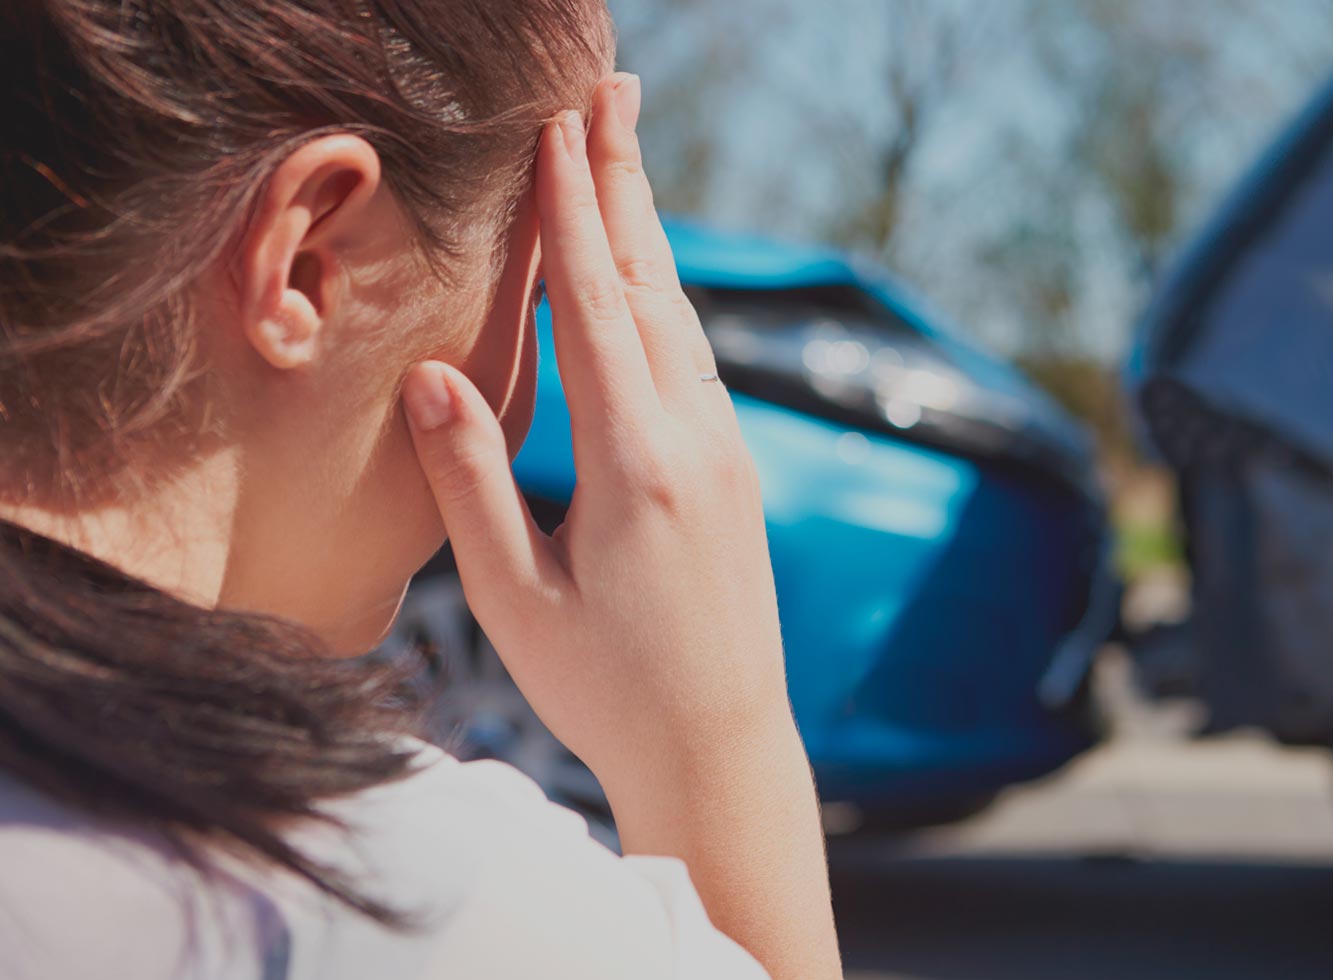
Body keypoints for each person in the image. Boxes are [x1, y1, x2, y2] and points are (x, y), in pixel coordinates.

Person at [0, 1, 842, 978]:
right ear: (311, 263)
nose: (525, 408)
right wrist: (721, 741)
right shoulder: (409, 902)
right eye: (535, 295)